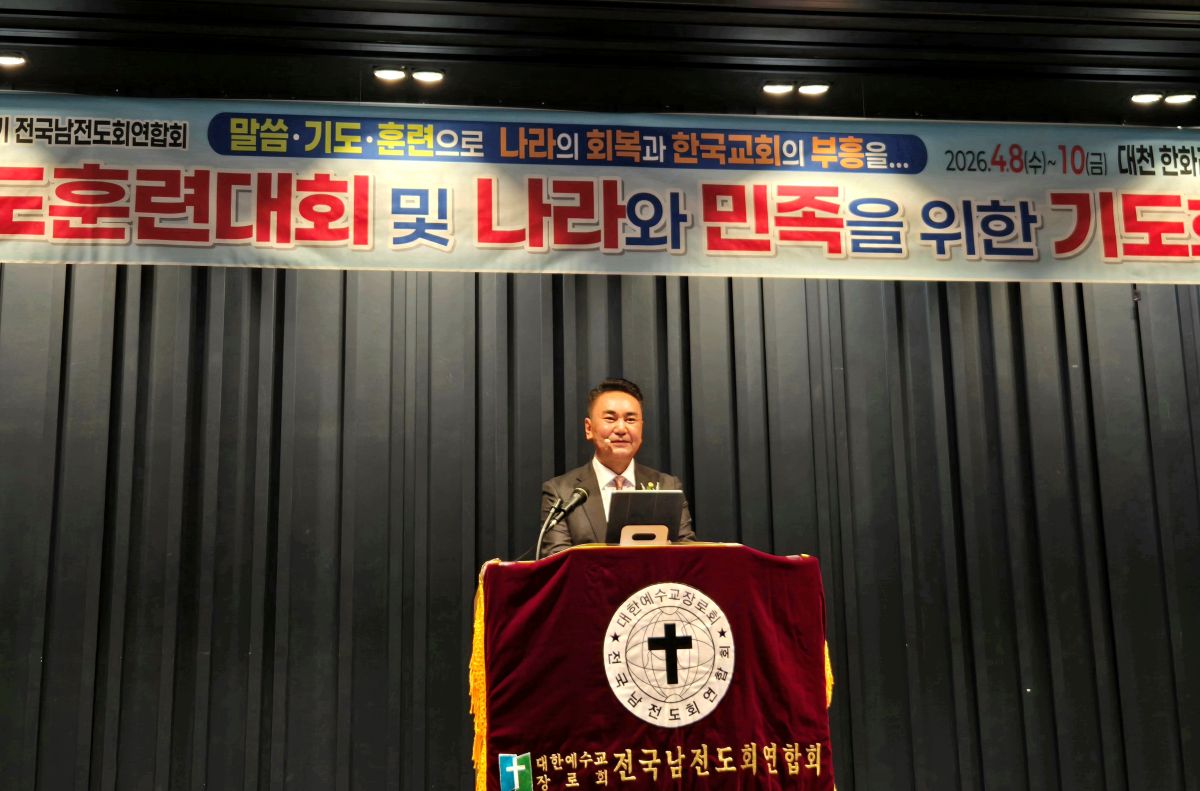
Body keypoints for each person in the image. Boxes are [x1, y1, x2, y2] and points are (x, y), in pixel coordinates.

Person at [539, 377, 695, 557]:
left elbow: (689, 555)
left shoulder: (668, 486)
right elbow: (558, 561)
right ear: (589, 428)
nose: (621, 429)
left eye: (630, 420)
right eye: (610, 419)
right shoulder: (561, 492)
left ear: (641, 428)